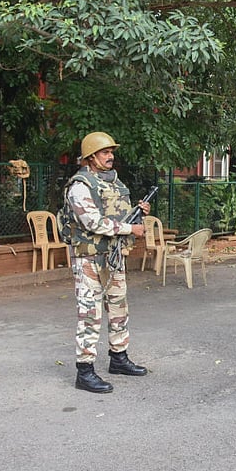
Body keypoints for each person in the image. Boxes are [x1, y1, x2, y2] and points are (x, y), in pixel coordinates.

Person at [60, 131, 150, 394]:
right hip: (89, 258)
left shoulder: (114, 184)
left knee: (119, 308)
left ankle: (119, 358)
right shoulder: (80, 186)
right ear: (90, 157)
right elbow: (93, 222)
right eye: (104, 152)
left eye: (111, 152)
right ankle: (84, 371)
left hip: (113, 257)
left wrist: (138, 214)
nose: (110, 157)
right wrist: (129, 230)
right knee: (90, 314)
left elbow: (118, 216)